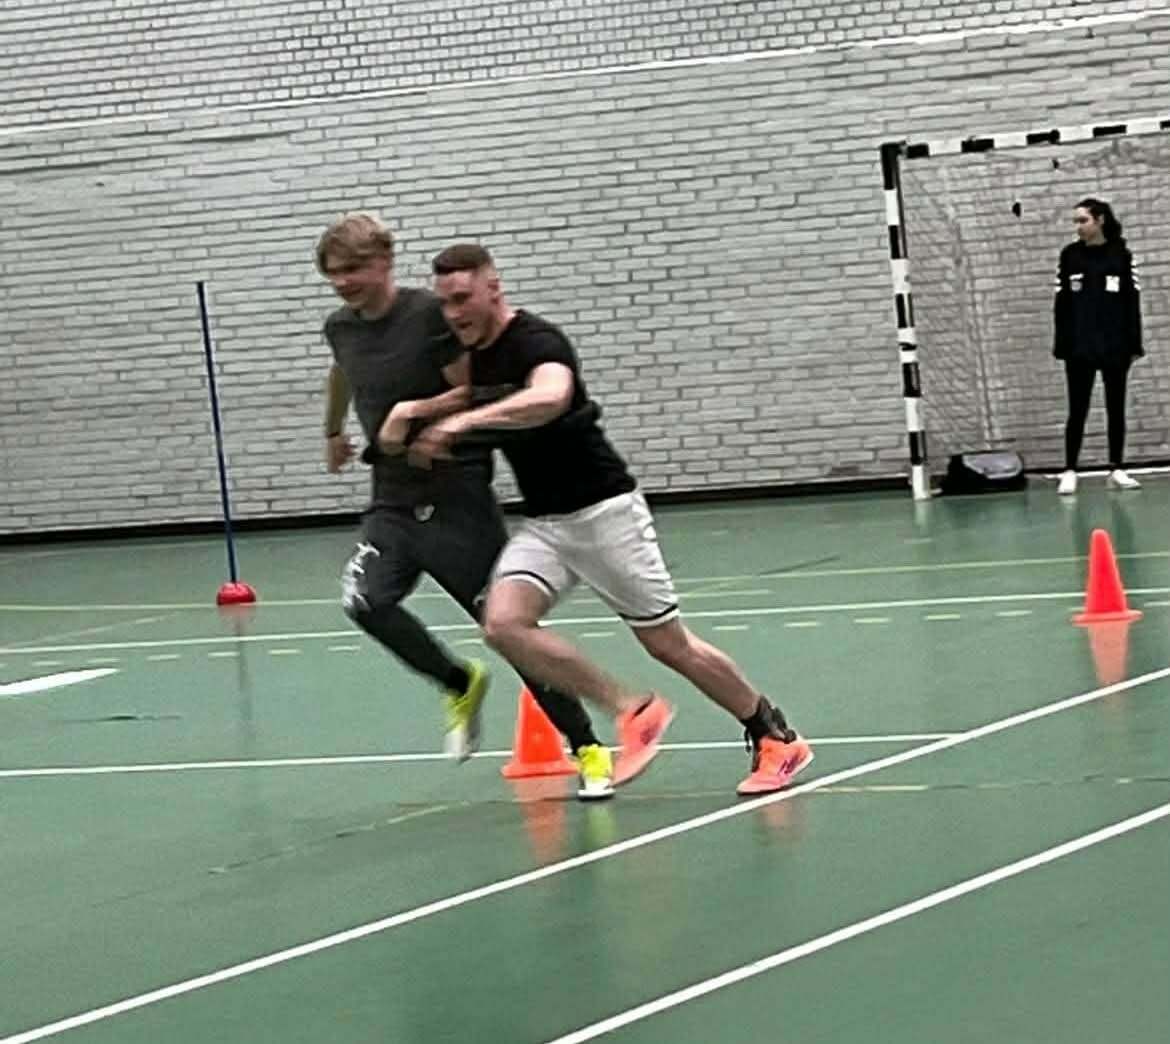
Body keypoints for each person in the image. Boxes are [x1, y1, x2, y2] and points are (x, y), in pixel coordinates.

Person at [406, 243, 813, 795]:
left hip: (604, 514)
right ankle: (633, 709)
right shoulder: (474, 354)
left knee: (669, 645)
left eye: (462, 298)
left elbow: (550, 396)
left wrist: (464, 423)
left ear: (493, 288)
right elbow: (467, 393)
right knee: (503, 625)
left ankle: (776, 736)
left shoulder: (538, 341)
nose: (453, 313)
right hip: (547, 524)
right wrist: (415, 414)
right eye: (445, 303)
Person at [316, 213, 612, 799]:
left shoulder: (430, 315)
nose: (343, 282)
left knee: (508, 630)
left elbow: (473, 388)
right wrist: (332, 429)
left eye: (353, 269)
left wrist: (412, 412)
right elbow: (342, 373)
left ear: (384, 262)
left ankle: (588, 747)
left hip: (455, 497)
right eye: (333, 273)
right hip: (392, 499)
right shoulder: (340, 327)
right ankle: (457, 681)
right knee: (364, 601)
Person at [1053, 198, 1144, 495]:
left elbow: (1132, 302)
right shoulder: (1069, 256)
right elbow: (1061, 304)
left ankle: (1116, 468)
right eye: (1076, 222)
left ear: (1100, 220)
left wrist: (1134, 344)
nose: (1078, 227)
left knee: (1115, 408)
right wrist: (1062, 344)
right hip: (1079, 348)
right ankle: (1070, 470)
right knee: (1077, 409)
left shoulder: (1122, 255)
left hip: (1115, 347)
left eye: (1083, 220)